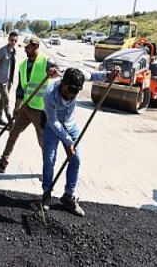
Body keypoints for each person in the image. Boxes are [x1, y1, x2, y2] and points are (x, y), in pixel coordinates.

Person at [40, 66, 120, 217]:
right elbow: (54, 122)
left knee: (76, 159)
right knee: (49, 160)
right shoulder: (50, 93)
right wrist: (69, 142)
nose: (70, 95)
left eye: (74, 93)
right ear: (62, 83)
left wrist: (109, 75)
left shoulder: (78, 77)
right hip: (51, 126)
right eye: (67, 91)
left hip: (70, 124)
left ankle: (69, 196)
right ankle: (46, 193)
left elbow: (93, 75)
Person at [0, 36, 58, 172]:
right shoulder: (23, 65)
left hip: (41, 110)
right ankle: (3, 161)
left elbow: (60, 73)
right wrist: (17, 106)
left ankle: (48, 170)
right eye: (25, 47)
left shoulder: (47, 62)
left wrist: (55, 72)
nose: (25, 49)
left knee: (43, 141)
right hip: (26, 107)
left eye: (27, 47)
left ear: (36, 46)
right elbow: (20, 87)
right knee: (13, 132)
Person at [0, 31, 18, 126]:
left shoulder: (14, 52)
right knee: (6, 100)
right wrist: (1, 69)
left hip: (9, 81)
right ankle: (11, 123)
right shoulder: (3, 51)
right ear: (8, 39)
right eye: (12, 40)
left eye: (15, 40)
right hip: (2, 79)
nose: (13, 42)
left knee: (2, 98)